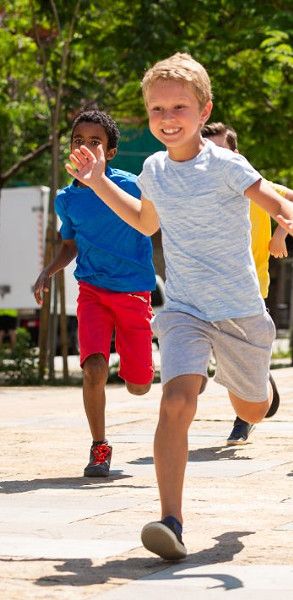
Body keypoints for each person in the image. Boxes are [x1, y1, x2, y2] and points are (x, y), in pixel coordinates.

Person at [64, 53, 293, 560]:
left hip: (240, 310)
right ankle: (170, 519)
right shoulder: (153, 168)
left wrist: (292, 220)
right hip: (184, 310)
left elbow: (273, 198)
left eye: (179, 106)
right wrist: (97, 181)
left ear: (204, 111)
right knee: (176, 401)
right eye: (157, 109)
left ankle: (257, 389)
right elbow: (146, 222)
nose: (167, 117)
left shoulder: (225, 164)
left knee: (253, 409)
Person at [34, 110, 156, 478]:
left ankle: (141, 350)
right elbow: (69, 245)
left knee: (139, 386)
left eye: (95, 142)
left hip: (134, 290)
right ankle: (99, 446)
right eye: (78, 141)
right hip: (92, 290)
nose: (85, 148)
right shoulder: (66, 199)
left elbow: (152, 225)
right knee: (93, 370)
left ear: (111, 152)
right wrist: (49, 270)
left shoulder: (133, 186)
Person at [200, 122, 293, 445]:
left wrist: (279, 235)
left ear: (236, 153)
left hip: (252, 287)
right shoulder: (201, 195)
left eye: (221, 150)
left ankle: (243, 419)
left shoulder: (255, 186)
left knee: (236, 352)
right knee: (228, 352)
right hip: (212, 289)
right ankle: (256, 379)